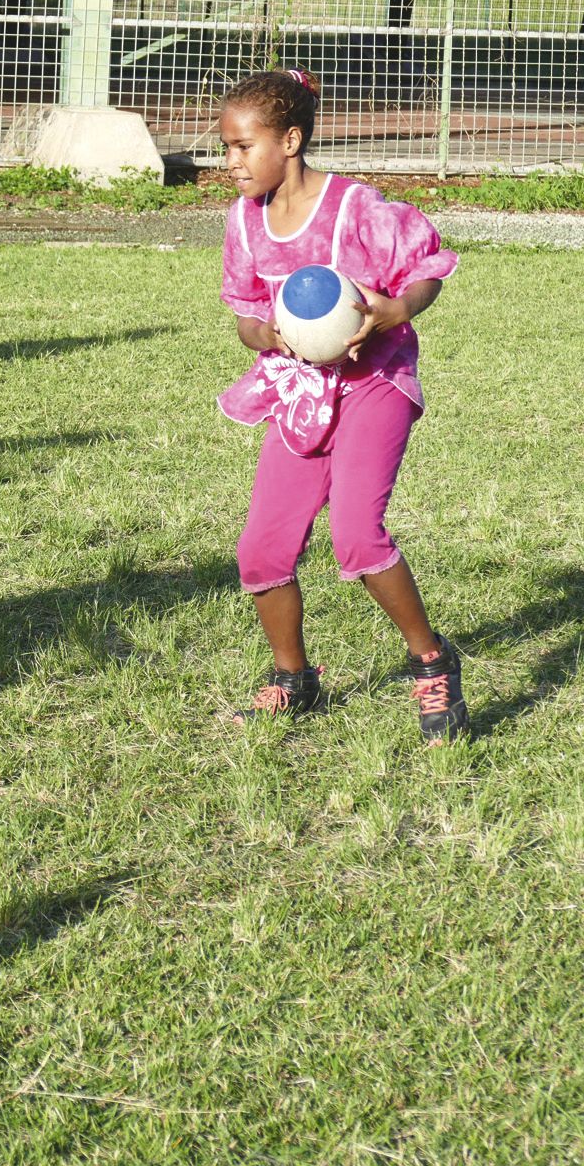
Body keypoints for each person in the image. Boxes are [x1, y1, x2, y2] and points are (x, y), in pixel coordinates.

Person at [215, 68, 469, 744]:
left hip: (373, 383)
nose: (230, 162)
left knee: (357, 536)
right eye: (227, 147)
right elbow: (242, 312)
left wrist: (394, 308)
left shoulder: (354, 207)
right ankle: (295, 680)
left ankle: (430, 661)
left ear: (290, 140)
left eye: (244, 146)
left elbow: (425, 267)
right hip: (301, 393)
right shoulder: (244, 221)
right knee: (261, 550)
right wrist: (266, 333)